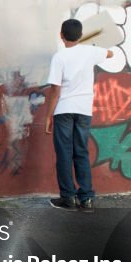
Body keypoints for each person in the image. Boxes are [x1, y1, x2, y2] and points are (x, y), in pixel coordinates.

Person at [44, 19, 114, 212]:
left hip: (64, 109)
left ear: (61, 35)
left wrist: (48, 116)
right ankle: (87, 198)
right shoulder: (90, 52)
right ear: (80, 35)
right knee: (81, 152)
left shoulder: (59, 57)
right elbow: (110, 53)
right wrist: (94, 49)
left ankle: (68, 198)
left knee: (64, 154)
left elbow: (55, 91)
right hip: (84, 110)